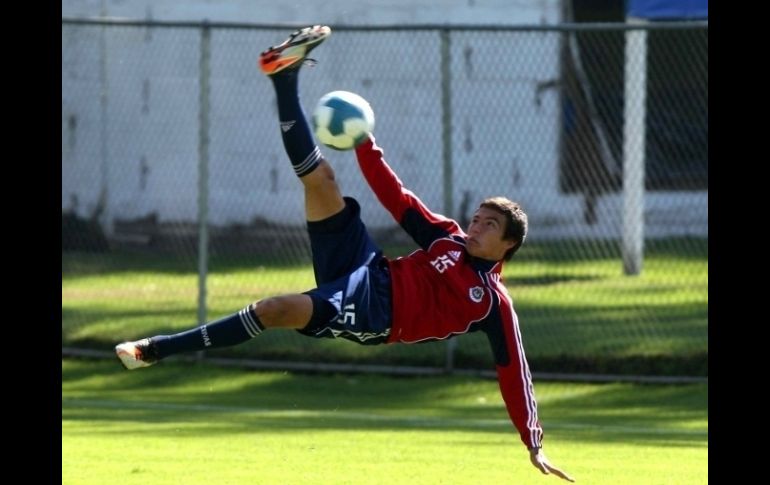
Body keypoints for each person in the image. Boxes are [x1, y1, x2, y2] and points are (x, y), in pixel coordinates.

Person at [115, 25, 574, 482]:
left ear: (508, 245)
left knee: (275, 309)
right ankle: (283, 76)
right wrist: (365, 144)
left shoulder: (493, 303)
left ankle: (156, 349)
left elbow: (514, 370)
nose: (475, 226)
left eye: (489, 225)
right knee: (322, 181)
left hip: (376, 313)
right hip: (368, 267)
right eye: (476, 217)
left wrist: (533, 442)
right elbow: (399, 199)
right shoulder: (448, 239)